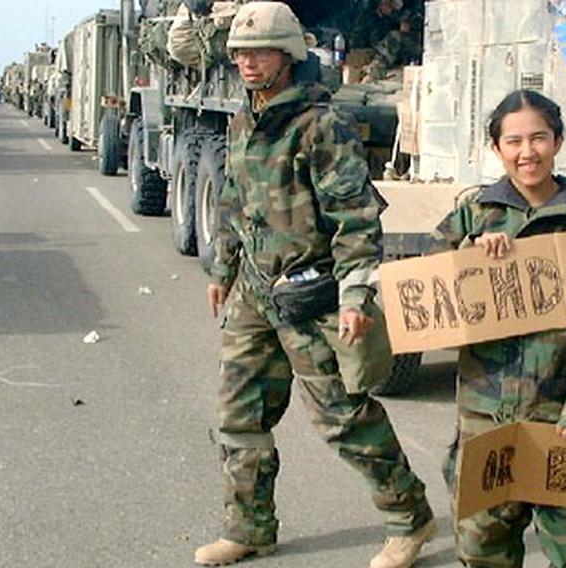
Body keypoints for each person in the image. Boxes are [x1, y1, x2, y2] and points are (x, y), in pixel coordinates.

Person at [194, 3, 435, 567]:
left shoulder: (320, 125)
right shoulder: (243, 120)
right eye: (240, 54)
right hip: (255, 292)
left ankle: (410, 519)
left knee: (343, 420)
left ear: (289, 55)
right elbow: (234, 198)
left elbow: (355, 218)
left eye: (260, 52)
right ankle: (250, 527)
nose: (248, 64)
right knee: (239, 416)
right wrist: (223, 269)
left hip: (310, 293)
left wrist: (354, 296)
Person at [430, 89, 566, 568]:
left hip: (565, 423)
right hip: (486, 421)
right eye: (514, 141)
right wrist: (470, 256)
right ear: (496, 148)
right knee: (482, 547)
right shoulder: (474, 215)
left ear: (559, 140)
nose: (528, 152)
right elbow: (424, 299)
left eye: (539, 138)